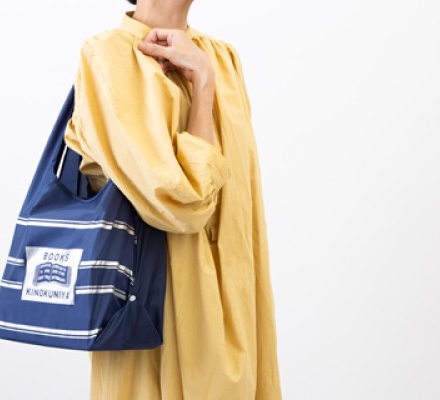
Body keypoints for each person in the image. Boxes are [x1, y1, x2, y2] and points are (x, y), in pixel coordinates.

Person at [64, 0, 282, 398]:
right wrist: (202, 83)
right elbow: (184, 203)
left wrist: (205, 68)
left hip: (236, 321)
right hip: (157, 325)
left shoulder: (222, 57)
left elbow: (243, 214)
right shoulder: (108, 56)